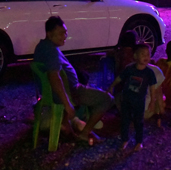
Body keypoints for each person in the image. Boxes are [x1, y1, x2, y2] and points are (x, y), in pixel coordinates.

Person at [33, 16, 113, 145]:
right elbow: (55, 77)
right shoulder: (50, 50)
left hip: (60, 91)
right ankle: (85, 133)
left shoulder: (42, 46)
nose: (64, 36)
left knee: (89, 82)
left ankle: (73, 126)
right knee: (107, 99)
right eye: (61, 33)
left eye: (65, 32)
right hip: (70, 92)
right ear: (49, 33)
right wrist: (67, 103)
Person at [109, 44, 156, 152]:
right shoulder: (129, 69)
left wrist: (152, 102)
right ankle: (125, 139)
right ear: (135, 56)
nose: (146, 57)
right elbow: (120, 78)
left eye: (148, 54)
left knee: (138, 121)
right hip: (126, 99)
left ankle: (139, 141)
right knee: (125, 120)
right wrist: (111, 86)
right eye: (143, 54)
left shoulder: (149, 73)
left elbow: (153, 88)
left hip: (139, 102)